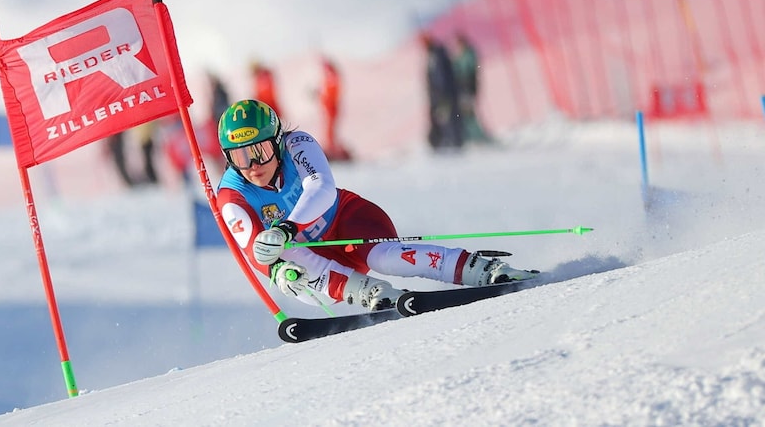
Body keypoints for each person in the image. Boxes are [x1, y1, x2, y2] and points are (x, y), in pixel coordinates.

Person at [215, 99, 537, 312]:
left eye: (260, 151)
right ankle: (369, 292)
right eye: (240, 156)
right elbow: (253, 250)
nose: (253, 164)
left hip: (346, 221)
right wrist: (275, 269)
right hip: (317, 263)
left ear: (276, 142)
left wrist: (286, 227)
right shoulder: (232, 195)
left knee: (387, 258)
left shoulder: (297, 145)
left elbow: (322, 188)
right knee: (283, 258)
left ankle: (485, 271)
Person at [421, 32, 463, 151]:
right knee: (443, 119)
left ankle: (454, 143)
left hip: (443, 95)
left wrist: (440, 95)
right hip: (440, 95)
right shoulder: (433, 54)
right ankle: (448, 142)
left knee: (448, 118)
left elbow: (441, 78)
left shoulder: (437, 55)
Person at [452, 32, 492, 143]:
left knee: (469, 114)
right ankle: (473, 137)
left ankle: (478, 137)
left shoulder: (469, 54)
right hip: (465, 89)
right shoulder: (462, 55)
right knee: (466, 114)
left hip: (468, 89)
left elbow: (467, 71)